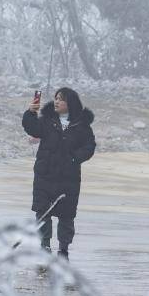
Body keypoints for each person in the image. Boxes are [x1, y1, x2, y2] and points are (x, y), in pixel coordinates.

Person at [22, 87, 96, 259]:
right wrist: (30, 113)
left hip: (68, 178)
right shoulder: (47, 120)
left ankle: (63, 249)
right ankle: (44, 246)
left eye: (61, 99)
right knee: (43, 213)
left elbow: (89, 147)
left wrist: (74, 158)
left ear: (70, 103)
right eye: (55, 98)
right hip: (44, 175)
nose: (56, 101)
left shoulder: (82, 125)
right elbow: (32, 129)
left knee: (66, 215)